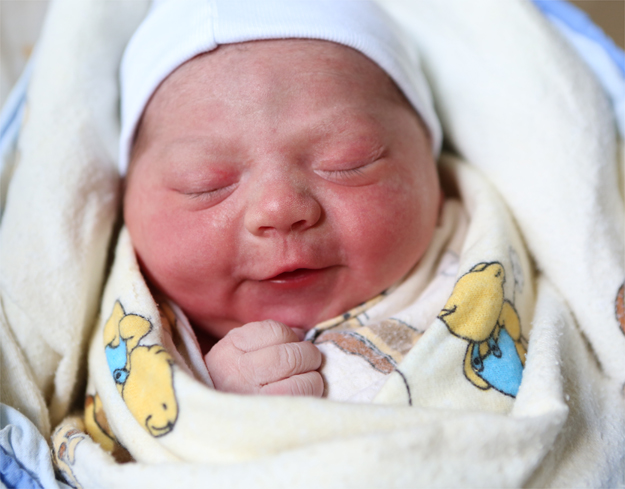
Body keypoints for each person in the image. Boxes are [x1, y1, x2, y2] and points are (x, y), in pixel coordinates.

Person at [119, 0, 451, 400]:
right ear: (124, 200)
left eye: (348, 162)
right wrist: (207, 401)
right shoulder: (133, 346)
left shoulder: (486, 262)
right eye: (204, 185)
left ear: (430, 162)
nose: (279, 208)